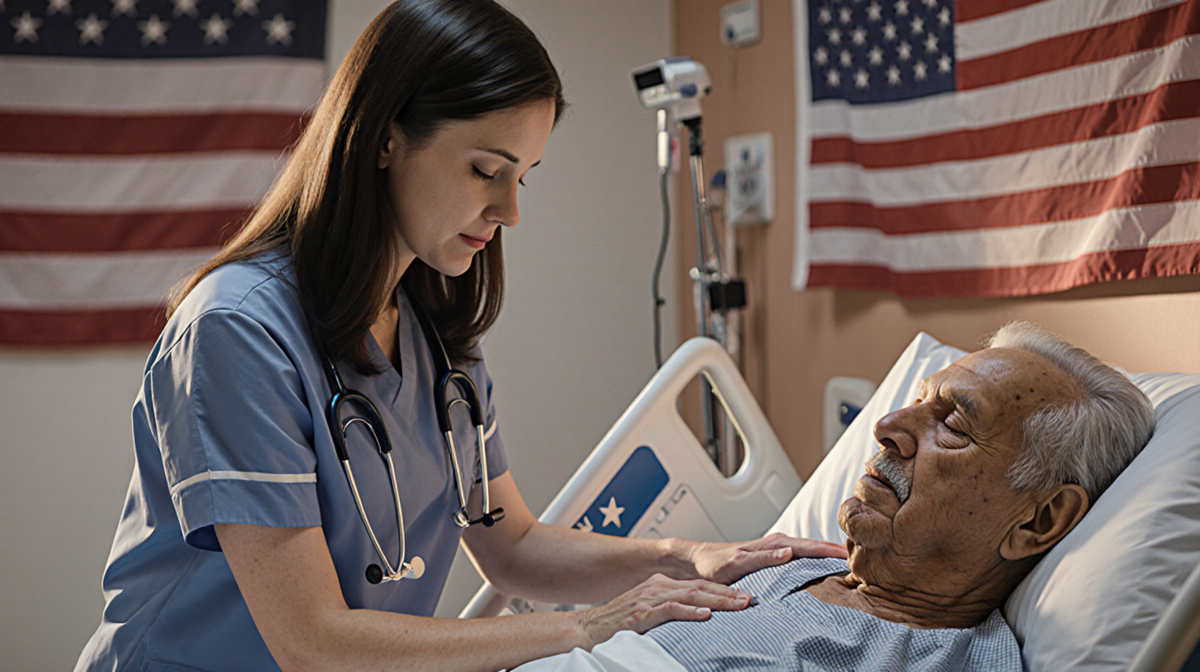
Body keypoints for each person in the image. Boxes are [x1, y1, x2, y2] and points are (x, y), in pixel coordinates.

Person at [72, 2, 847, 671]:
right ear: (383, 138)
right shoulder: (238, 332)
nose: (511, 210)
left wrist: (685, 558)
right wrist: (587, 626)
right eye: (487, 169)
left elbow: (509, 546)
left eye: (525, 175)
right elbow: (309, 642)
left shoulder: (435, 335)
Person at [512, 321, 1157, 672]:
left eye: (954, 425)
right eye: (917, 401)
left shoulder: (952, 661)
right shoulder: (787, 564)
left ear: (1040, 520)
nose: (886, 427)